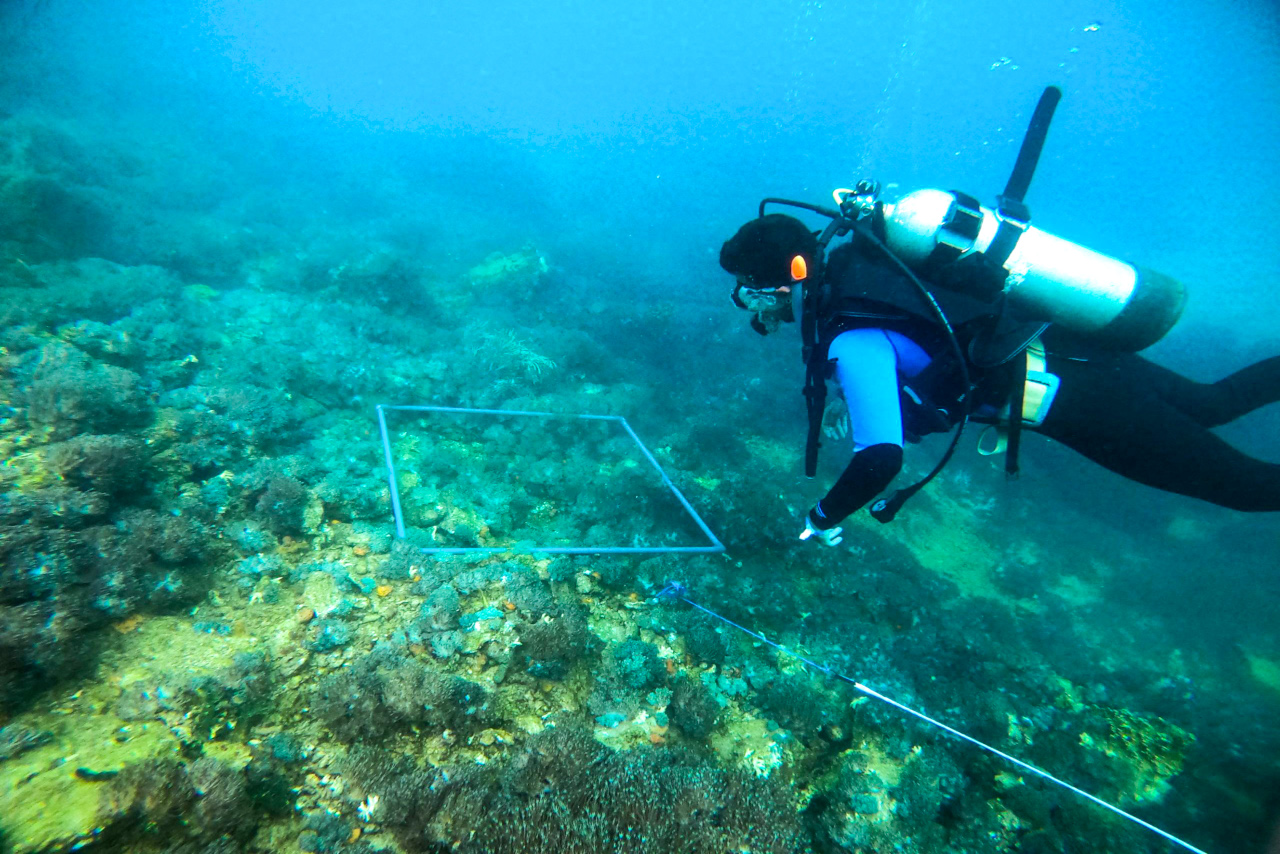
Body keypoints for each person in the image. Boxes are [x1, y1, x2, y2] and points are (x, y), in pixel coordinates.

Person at [719, 212, 1280, 546]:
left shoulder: (850, 332)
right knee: (1215, 402)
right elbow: (919, 360)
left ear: (786, 278)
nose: (752, 305)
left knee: (1251, 489)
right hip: (1069, 352)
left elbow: (880, 459)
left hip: (1078, 403)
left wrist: (822, 519)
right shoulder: (867, 276)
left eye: (750, 287)